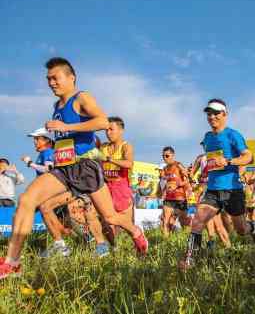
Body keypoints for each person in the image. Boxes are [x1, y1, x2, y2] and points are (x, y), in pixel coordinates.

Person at [0, 57, 147, 279]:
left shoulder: (81, 98)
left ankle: (136, 231)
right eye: (48, 79)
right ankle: (13, 263)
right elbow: (65, 137)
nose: (51, 83)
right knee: (28, 199)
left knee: (110, 217)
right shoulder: (56, 106)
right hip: (64, 168)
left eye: (55, 78)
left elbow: (102, 121)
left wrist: (66, 126)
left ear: (71, 78)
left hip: (85, 167)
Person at [179, 99, 255, 270]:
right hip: (213, 190)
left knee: (240, 229)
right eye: (209, 113)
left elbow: (248, 157)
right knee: (198, 221)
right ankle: (189, 260)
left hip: (233, 190)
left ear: (225, 114)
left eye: (216, 113)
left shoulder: (233, 135)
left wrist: (229, 160)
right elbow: (210, 162)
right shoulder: (207, 138)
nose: (212, 116)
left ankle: (252, 227)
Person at [99, 116, 135, 248]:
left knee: (126, 224)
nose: (108, 133)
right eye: (106, 130)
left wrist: (110, 160)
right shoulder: (103, 146)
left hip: (122, 188)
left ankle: (140, 248)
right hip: (106, 187)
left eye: (111, 129)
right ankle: (114, 248)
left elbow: (129, 163)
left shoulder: (126, 146)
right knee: (105, 223)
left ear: (121, 130)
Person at [158, 146, 190, 237]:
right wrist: (163, 191)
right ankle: (166, 243)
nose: (165, 158)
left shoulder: (178, 165)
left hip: (180, 198)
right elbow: (164, 183)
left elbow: (189, 180)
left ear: (173, 155)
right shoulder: (164, 169)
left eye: (167, 156)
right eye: (163, 156)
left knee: (184, 222)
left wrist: (178, 184)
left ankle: (188, 240)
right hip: (168, 198)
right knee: (165, 221)